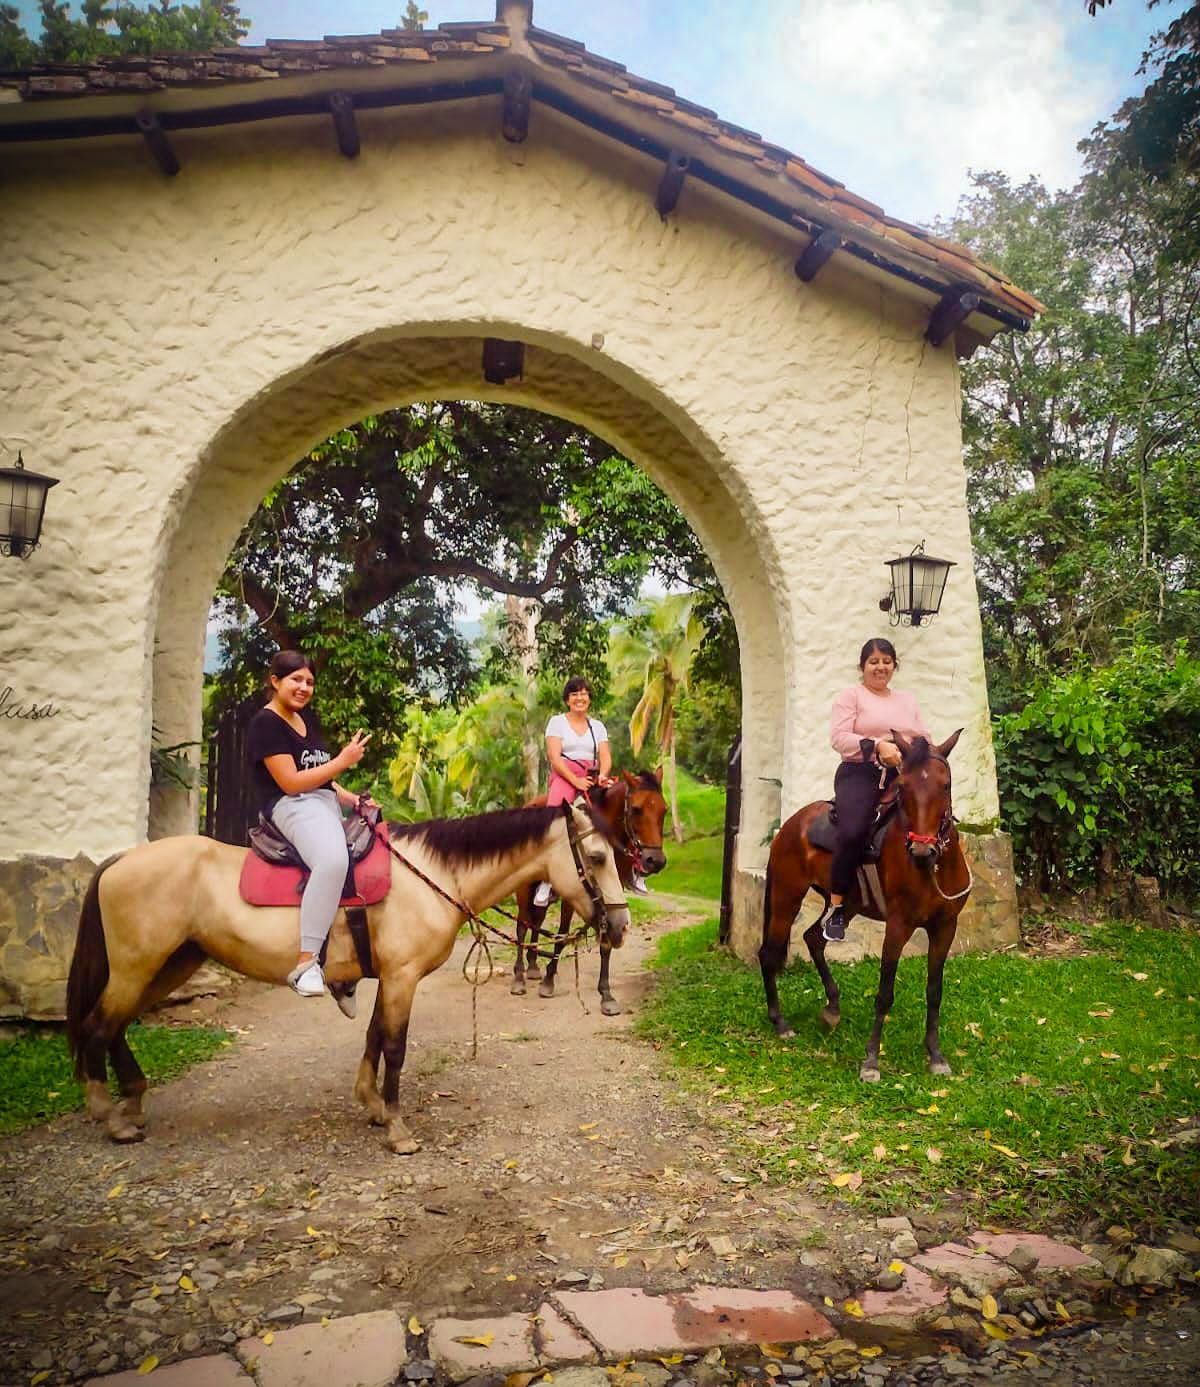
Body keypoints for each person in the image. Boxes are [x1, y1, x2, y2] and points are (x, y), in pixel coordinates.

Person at [244, 650, 375, 998]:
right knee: (332, 861)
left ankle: (344, 970)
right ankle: (306, 963)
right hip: (291, 805)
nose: (304, 687)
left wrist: (351, 799)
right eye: (296, 680)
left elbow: (318, 776)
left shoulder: (306, 718)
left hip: (321, 801)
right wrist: (343, 761)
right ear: (275, 682)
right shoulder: (266, 724)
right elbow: (291, 782)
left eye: (309, 681)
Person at [824, 637, 930, 942]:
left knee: (931, 820)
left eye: (886, 661)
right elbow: (838, 738)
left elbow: (922, 735)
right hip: (860, 772)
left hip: (903, 773)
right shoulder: (851, 696)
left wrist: (917, 751)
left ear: (895, 665)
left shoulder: (907, 700)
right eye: (874, 661)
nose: (880, 667)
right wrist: (878, 746)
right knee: (854, 831)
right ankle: (837, 907)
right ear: (862, 667)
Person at [532, 677, 613, 908]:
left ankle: (632, 870)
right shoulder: (557, 723)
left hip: (592, 776)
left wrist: (603, 775)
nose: (580, 698)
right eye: (575, 694)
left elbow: (605, 757)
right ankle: (546, 882)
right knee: (553, 821)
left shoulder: (597, 726)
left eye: (585, 693)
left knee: (616, 813)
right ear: (567, 699)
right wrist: (575, 780)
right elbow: (554, 758)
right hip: (566, 775)